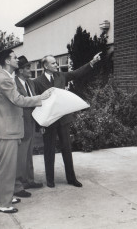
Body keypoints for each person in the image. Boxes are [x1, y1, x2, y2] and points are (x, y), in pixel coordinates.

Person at [0, 49, 53, 214]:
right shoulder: (4, 79)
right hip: (8, 130)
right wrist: (42, 97)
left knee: (10, 167)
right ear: (7, 61)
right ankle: (2, 203)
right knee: (7, 168)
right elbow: (18, 100)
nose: (17, 60)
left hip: (10, 129)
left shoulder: (5, 77)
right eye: (15, 58)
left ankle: (7, 196)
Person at [33, 52, 101, 188]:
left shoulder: (61, 76)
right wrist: (39, 124)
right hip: (49, 121)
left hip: (63, 119)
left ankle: (71, 178)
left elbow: (76, 73)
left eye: (56, 63)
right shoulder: (37, 82)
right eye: (53, 63)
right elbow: (37, 103)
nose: (56, 65)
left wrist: (92, 62)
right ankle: (50, 180)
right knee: (49, 150)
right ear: (45, 66)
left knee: (67, 149)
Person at [13, 56, 43, 199]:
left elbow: (35, 101)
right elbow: (20, 102)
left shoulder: (30, 83)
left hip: (31, 122)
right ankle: (19, 185)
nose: (29, 70)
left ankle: (29, 180)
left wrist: (40, 123)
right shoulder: (13, 84)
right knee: (21, 155)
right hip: (20, 124)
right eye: (27, 68)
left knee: (29, 153)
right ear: (20, 70)